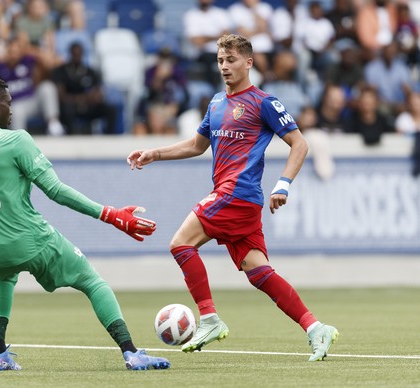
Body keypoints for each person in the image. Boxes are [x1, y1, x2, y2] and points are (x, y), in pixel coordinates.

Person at [127, 34, 339, 362]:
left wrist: (283, 183)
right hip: (238, 200)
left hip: (236, 193)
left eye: (231, 60)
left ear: (248, 63)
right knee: (259, 273)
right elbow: (197, 146)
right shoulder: (215, 103)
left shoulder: (264, 103)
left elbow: (300, 144)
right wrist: (156, 153)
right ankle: (316, 328)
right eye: (220, 61)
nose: (225, 67)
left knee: (180, 244)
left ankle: (209, 318)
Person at [0, 76, 170, 371]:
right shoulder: (16, 140)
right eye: (9, 104)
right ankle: (131, 351)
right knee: (92, 281)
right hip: (28, 240)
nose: (12, 111)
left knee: (3, 276)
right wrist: (110, 214)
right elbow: (55, 190)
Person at [0, 38, 65, 135]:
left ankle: (53, 124)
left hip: (32, 101)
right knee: (16, 109)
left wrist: (32, 51)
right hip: (14, 104)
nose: (14, 54)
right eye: (11, 51)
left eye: (16, 51)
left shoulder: (27, 60)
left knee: (47, 86)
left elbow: (47, 65)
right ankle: (19, 140)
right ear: (7, 52)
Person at [52, 42, 117, 135]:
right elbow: (61, 96)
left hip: (88, 105)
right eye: (74, 54)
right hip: (70, 106)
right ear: (70, 54)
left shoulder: (90, 72)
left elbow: (98, 94)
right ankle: (70, 137)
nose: (77, 57)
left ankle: (110, 137)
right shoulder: (61, 71)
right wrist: (81, 98)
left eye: (79, 54)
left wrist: (88, 98)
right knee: (67, 109)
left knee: (111, 110)